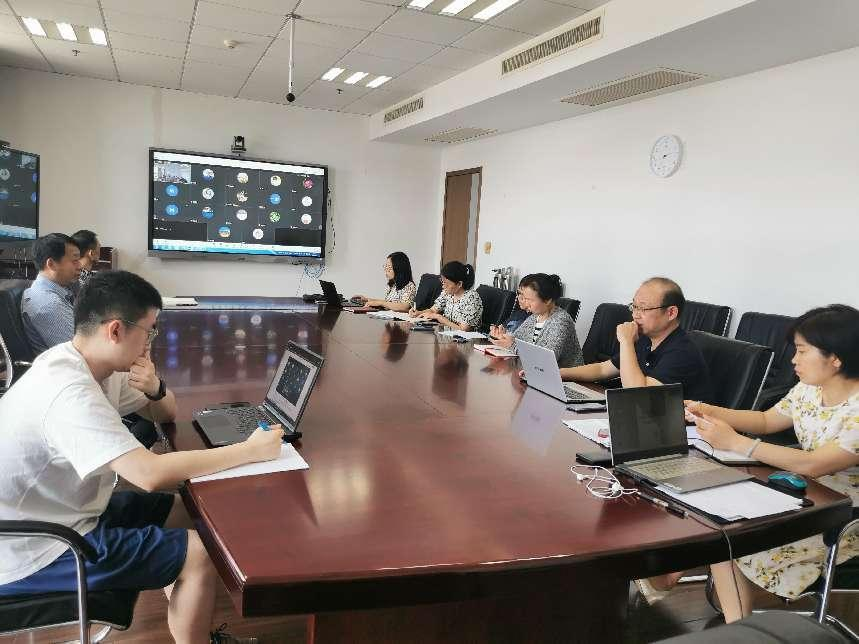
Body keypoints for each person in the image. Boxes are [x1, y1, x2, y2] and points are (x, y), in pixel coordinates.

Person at [0, 270, 283, 644]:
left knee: (190, 511)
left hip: (66, 511)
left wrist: (155, 387)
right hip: (33, 547)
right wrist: (249, 451)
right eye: (149, 331)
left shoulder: (95, 364)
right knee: (198, 554)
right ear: (116, 330)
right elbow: (148, 474)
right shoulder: (68, 390)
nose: (152, 342)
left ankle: (192, 620)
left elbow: (165, 413)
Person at [685, 304, 859, 623]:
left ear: (835, 358)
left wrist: (737, 443)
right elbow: (766, 420)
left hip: (845, 517)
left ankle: (738, 630)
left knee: (731, 537)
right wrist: (707, 409)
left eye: (802, 351)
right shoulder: (809, 389)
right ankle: (738, 629)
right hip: (804, 496)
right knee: (720, 526)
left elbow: (815, 464)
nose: (793, 359)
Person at [559, 277, 713, 402]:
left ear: (671, 313)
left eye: (643, 308)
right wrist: (560, 373)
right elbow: (603, 369)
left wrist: (626, 342)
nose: (635, 315)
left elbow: (638, 395)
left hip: (678, 428)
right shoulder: (646, 339)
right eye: (634, 306)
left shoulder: (682, 352)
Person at [488, 273, 583, 368]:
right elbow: (516, 339)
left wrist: (511, 345)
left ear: (547, 300)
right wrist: (502, 336)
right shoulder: (535, 317)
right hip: (534, 371)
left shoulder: (561, 321)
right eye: (523, 298)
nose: (524, 303)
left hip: (565, 375)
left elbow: (546, 360)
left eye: (528, 299)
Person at [21, 233, 80, 354]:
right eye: (75, 261)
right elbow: (81, 352)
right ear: (51, 264)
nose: (80, 266)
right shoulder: (48, 304)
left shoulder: (62, 289)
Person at [410, 261, 483, 331]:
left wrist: (439, 317)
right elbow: (433, 310)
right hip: (447, 334)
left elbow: (463, 329)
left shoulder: (472, 298)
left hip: (465, 338)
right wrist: (418, 313)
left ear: (459, 284)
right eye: (442, 282)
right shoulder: (447, 293)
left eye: (446, 283)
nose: (443, 286)